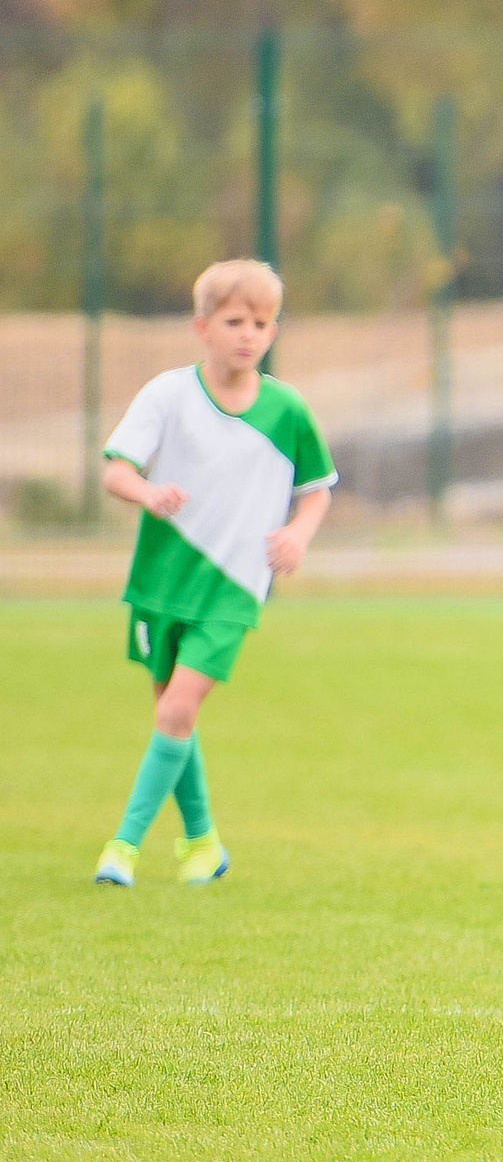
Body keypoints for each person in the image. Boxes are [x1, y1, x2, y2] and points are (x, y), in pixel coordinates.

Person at [93, 259, 335, 887]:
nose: (248, 333)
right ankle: (202, 844)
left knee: (177, 709)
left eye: (261, 322)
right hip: (160, 581)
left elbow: (317, 491)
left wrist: (299, 534)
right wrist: (147, 495)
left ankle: (124, 846)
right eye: (234, 320)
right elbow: (116, 468)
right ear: (202, 327)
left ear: (273, 332)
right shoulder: (167, 394)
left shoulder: (287, 410)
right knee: (174, 717)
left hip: (234, 588)